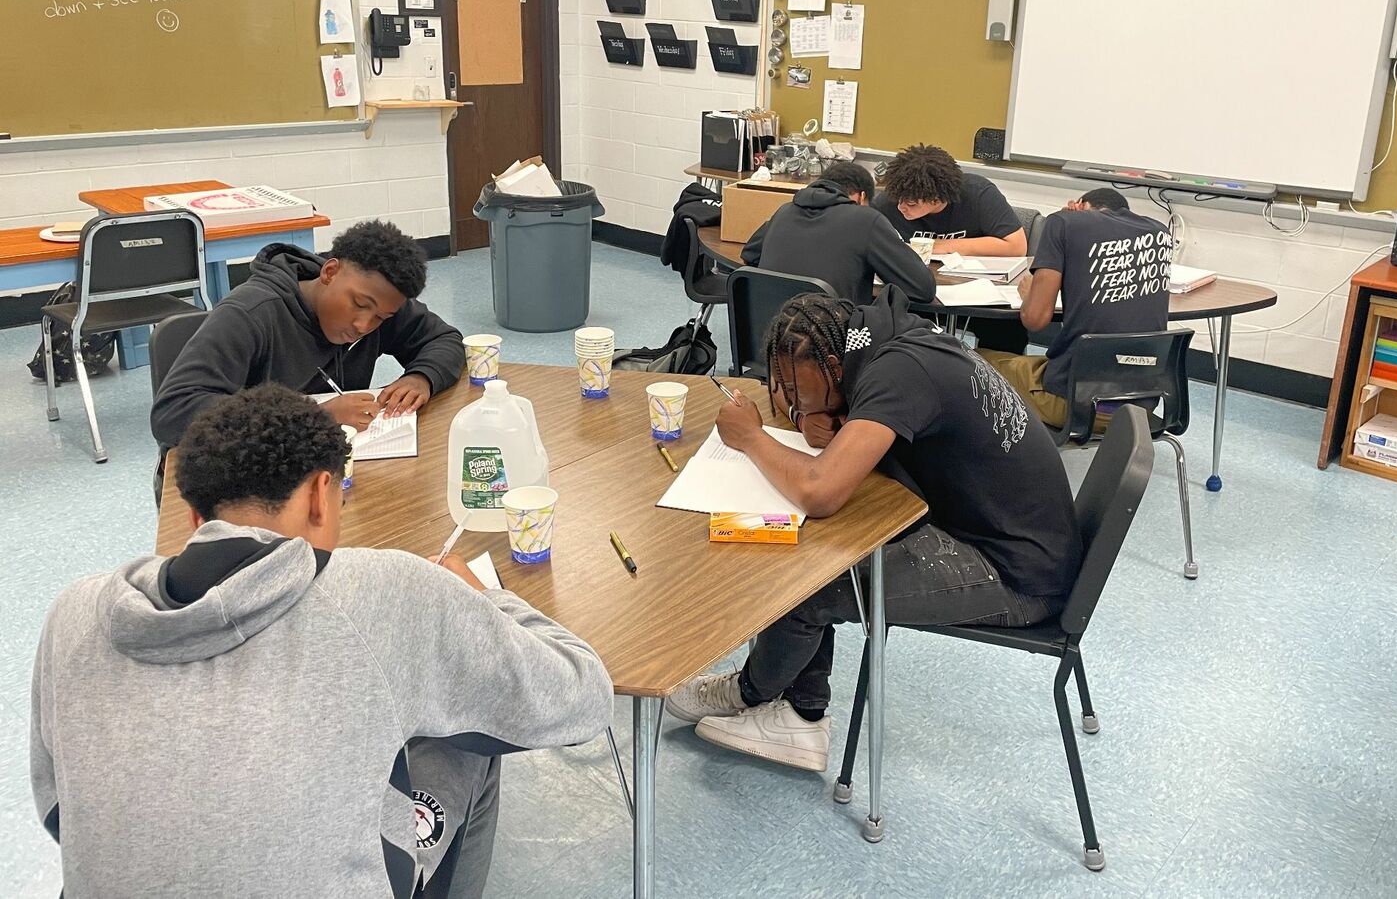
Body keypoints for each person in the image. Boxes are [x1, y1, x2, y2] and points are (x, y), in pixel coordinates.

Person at [32, 384, 613, 898]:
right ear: (320, 493)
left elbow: (61, 811)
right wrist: (485, 598)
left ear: (192, 518)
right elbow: (581, 697)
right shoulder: (388, 587)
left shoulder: (75, 611)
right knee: (465, 738)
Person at [663, 290, 1079, 771]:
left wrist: (752, 438)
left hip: (1016, 576)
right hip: (1004, 531)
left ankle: (759, 697)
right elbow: (809, 409)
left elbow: (820, 492)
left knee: (806, 585)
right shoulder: (888, 339)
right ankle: (799, 710)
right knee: (811, 550)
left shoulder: (896, 376)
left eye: (801, 391)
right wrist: (817, 412)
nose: (793, 403)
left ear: (836, 366)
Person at [151, 219, 465, 450]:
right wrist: (308, 415)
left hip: (325, 466)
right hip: (248, 475)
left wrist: (421, 377)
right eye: (358, 304)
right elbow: (173, 412)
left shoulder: (381, 304)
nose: (363, 325)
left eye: (381, 317)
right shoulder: (252, 313)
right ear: (329, 272)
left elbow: (445, 340)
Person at [985, 188, 1174, 429]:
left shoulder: (1064, 222)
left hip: (1075, 404)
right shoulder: (1159, 232)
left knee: (974, 360)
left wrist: (1028, 294)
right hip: (1141, 408)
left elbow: (1035, 320)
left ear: (1078, 205)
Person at [741, 161, 936, 305]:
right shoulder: (866, 220)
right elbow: (922, 288)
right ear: (861, 196)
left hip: (768, 342)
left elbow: (750, 254)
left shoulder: (784, 211)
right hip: (835, 345)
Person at [874, 143, 1026, 257]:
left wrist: (945, 246)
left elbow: (1017, 247)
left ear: (937, 199)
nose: (901, 207)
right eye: (898, 199)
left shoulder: (978, 194)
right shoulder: (889, 201)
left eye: (911, 204)